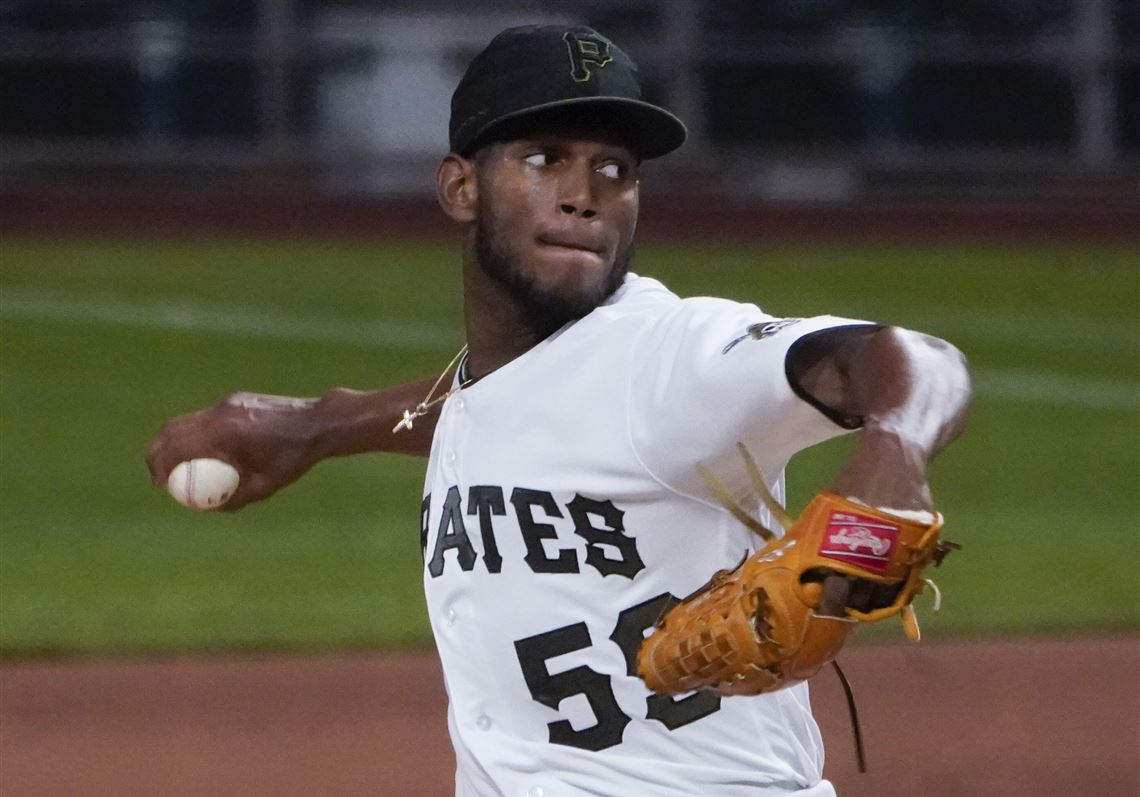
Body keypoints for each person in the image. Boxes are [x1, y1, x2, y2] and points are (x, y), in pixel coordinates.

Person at [147, 25, 971, 797]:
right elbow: (509, 409)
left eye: (615, 170)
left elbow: (914, 360)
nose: (585, 195)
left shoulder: (671, 356)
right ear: (460, 187)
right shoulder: (520, 381)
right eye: (545, 159)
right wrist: (321, 424)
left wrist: (889, 463)